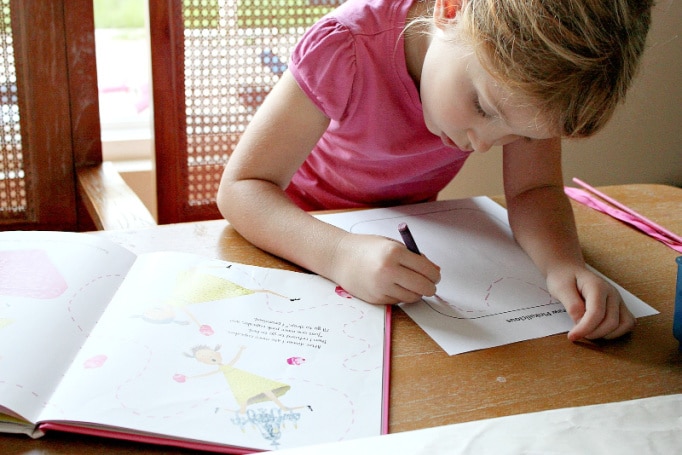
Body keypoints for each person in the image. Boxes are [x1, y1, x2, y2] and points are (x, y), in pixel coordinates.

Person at [217, 0, 653, 342]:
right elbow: (242, 187)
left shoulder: (532, 87)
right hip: (290, 243)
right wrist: (338, 254)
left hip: (399, 255)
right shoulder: (345, 45)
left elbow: (534, 189)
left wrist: (564, 265)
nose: (481, 143)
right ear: (450, 10)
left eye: (516, 136)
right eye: (482, 107)